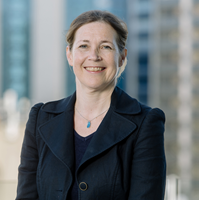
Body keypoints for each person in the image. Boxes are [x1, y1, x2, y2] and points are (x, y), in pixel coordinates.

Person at [16, 10, 166, 200]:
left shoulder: (146, 123)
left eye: (105, 47)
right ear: (69, 55)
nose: (93, 56)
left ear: (122, 56)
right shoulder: (40, 118)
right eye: (84, 46)